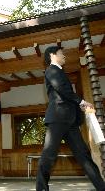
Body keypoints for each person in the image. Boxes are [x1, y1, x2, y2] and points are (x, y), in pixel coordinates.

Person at [36, 46, 105, 191]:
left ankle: (101, 187)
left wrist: (78, 105)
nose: (64, 56)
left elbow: (65, 95)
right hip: (57, 119)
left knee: (84, 155)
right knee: (49, 155)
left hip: (70, 121)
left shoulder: (60, 71)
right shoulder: (51, 70)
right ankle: (41, 188)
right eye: (62, 53)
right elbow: (62, 88)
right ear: (52, 55)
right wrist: (81, 101)